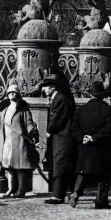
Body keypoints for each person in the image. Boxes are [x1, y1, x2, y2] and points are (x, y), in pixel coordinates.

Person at [0, 82, 40, 198]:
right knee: (9, 166)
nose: (12, 94)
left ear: (18, 94)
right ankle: (12, 188)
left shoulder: (23, 109)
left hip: (20, 141)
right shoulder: (4, 110)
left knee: (21, 167)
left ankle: (21, 190)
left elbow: (29, 123)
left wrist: (31, 131)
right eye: (10, 92)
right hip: (7, 141)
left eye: (14, 92)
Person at [69, 80, 111, 209]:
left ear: (91, 95)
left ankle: (75, 194)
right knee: (103, 174)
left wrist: (83, 138)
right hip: (100, 146)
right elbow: (108, 128)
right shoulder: (106, 109)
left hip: (84, 146)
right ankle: (101, 201)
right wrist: (93, 138)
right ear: (102, 95)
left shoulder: (82, 109)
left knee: (82, 172)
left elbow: (74, 127)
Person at [42, 73, 76, 204]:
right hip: (61, 136)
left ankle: (57, 195)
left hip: (62, 136)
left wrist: (50, 130)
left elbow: (57, 119)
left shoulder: (60, 98)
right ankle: (72, 192)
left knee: (59, 164)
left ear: (53, 87)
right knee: (62, 164)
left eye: (45, 87)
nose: (43, 89)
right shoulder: (59, 97)